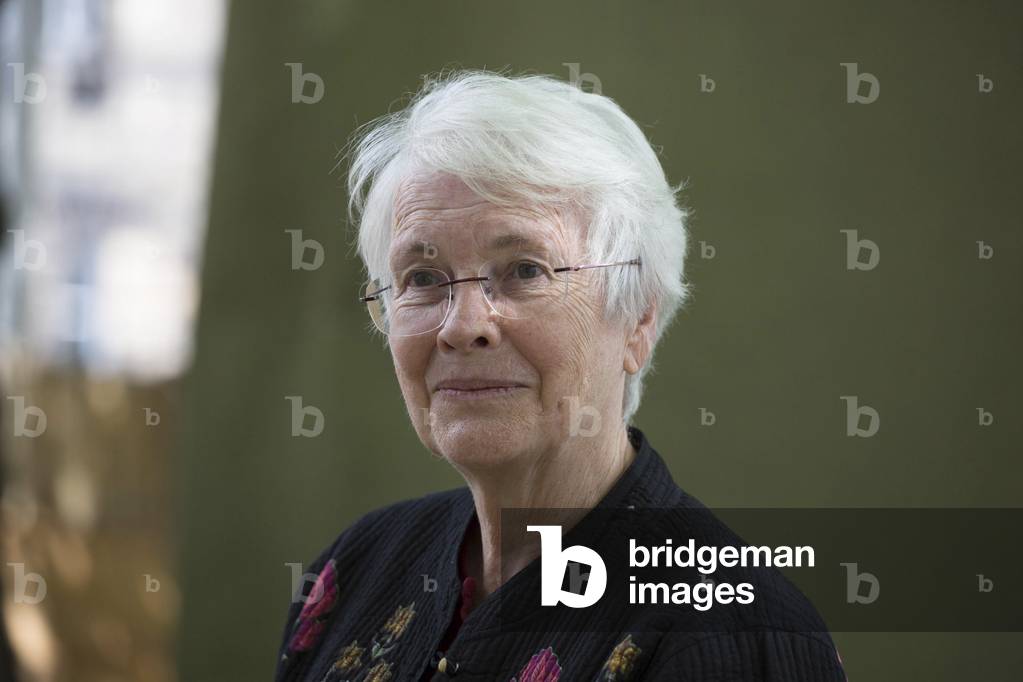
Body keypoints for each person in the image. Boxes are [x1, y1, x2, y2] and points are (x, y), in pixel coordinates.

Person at [274, 70, 846, 682]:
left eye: (523, 270)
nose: (463, 326)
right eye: (421, 278)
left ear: (637, 318)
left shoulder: (729, 637)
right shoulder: (360, 568)